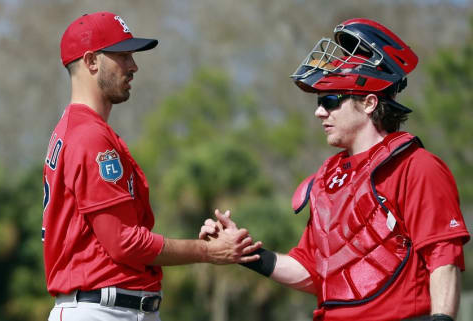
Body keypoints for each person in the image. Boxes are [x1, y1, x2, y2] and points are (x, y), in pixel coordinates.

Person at [200, 18, 470, 321]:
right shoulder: (328, 178)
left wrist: (443, 318)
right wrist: (244, 253)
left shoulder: (416, 167)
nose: (319, 112)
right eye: (319, 102)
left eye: (330, 100)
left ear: (369, 103)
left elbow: (443, 256)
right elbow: (314, 271)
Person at [42, 11, 261, 321]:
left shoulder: (82, 130)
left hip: (115, 306)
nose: (133, 66)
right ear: (91, 61)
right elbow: (123, 243)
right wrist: (208, 253)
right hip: (98, 309)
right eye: (122, 55)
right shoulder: (89, 135)